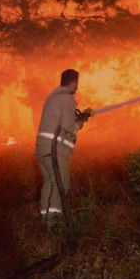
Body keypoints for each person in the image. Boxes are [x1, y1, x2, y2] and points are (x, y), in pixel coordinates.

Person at [35, 69, 92, 225]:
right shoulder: (66, 99)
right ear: (74, 83)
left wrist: (78, 116)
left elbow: (59, 120)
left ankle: (44, 219)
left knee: (50, 182)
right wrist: (80, 123)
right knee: (61, 184)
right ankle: (53, 224)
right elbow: (68, 126)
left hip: (43, 148)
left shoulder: (53, 97)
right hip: (56, 150)